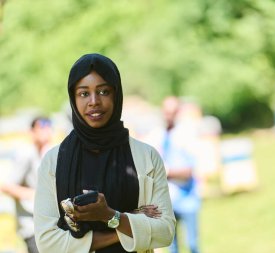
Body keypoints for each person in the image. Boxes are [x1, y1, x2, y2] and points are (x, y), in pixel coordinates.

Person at [33, 53, 175, 253]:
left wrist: (109, 215)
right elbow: (48, 243)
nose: (93, 102)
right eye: (83, 93)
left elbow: (165, 232)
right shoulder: (54, 161)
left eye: (103, 91)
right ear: (73, 98)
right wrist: (128, 226)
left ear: (116, 95)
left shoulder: (146, 157)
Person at [146, 96, 201, 253]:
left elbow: (189, 171)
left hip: (187, 199)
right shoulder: (158, 135)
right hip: (167, 201)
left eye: (172, 112)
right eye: (165, 112)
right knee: (172, 246)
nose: (168, 116)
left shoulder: (186, 135)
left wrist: (166, 172)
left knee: (193, 244)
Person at [0, 116, 53, 253]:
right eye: (40, 128)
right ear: (32, 132)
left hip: (49, 224)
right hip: (31, 227)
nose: (45, 131)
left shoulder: (51, 153)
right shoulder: (26, 154)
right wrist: (32, 195)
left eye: (48, 127)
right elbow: (6, 186)